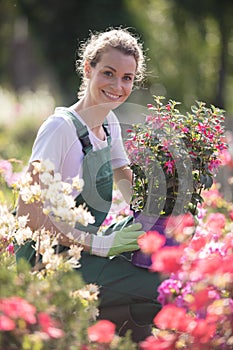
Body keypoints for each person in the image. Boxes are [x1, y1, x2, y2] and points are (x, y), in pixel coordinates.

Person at [16, 27, 162, 342]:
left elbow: (123, 176)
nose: (118, 86)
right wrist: (102, 245)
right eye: (108, 73)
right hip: (51, 260)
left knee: (166, 267)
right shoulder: (60, 129)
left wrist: (156, 210)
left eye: (127, 78)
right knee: (161, 290)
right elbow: (28, 215)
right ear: (88, 69)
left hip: (84, 247)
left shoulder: (109, 124)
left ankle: (98, 332)